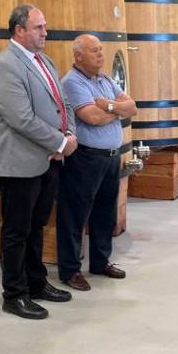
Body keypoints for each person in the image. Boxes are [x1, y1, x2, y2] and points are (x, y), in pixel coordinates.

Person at [0, 4, 76, 319]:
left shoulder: (44, 61)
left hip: (48, 159)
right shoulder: (5, 66)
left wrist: (68, 135)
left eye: (45, 26)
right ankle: (14, 294)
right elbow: (20, 119)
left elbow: (62, 103)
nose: (45, 33)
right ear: (19, 30)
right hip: (19, 162)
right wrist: (61, 142)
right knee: (16, 231)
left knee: (37, 225)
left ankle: (37, 283)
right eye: (38, 27)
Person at [56, 34, 137, 291]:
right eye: (94, 51)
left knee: (105, 213)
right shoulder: (72, 82)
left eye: (101, 50)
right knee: (75, 215)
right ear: (78, 56)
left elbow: (132, 107)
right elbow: (91, 116)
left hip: (111, 157)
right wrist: (115, 110)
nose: (100, 55)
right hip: (85, 158)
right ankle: (70, 270)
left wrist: (108, 105)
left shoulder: (104, 79)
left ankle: (101, 262)